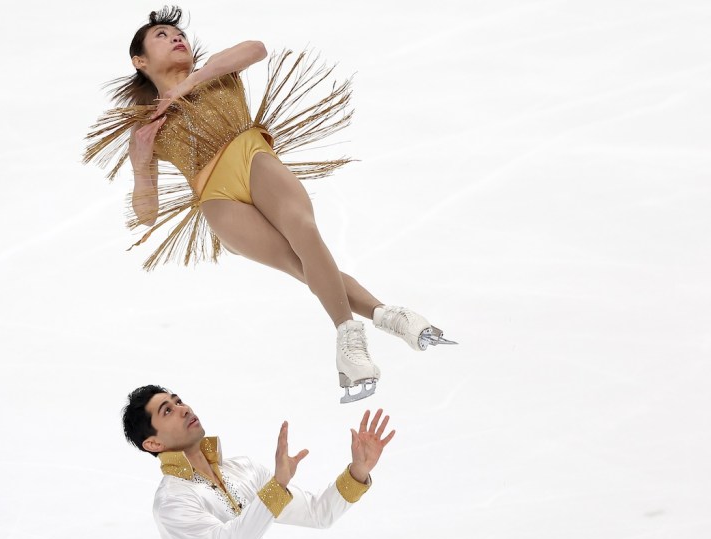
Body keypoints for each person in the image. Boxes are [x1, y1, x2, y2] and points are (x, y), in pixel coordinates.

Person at [85, 7, 455, 403]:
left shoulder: (215, 71)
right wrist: (141, 163)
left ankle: (363, 331)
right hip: (216, 198)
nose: (177, 38)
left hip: (252, 158)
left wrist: (190, 83)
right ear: (139, 61)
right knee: (301, 267)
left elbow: (256, 48)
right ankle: (384, 321)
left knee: (305, 233)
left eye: (179, 34)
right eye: (161, 35)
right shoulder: (145, 127)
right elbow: (146, 214)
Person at [122, 384, 396, 539]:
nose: (184, 409)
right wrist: (276, 486)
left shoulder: (244, 470)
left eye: (178, 401)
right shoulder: (173, 501)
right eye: (167, 411)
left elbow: (317, 514)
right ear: (153, 444)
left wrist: (358, 471)